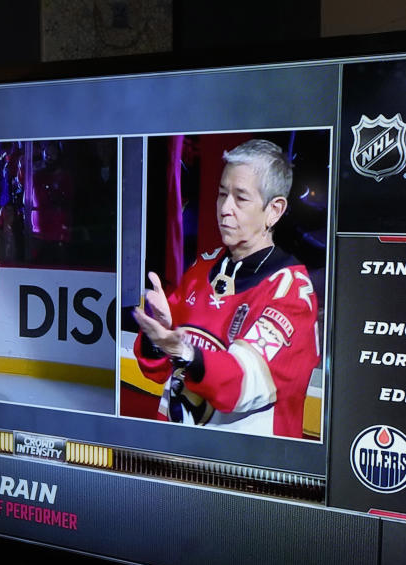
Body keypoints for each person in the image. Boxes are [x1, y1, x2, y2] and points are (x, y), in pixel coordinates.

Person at [132, 139, 320, 438]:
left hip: (243, 476)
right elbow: (154, 371)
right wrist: (158, 337)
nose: (224, 209)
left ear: (274, 210)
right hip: (173, 462)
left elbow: (242, 384)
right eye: (222, 194)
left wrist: (182, 351)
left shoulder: (291, 294)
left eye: (240, 198)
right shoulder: (201, 269)